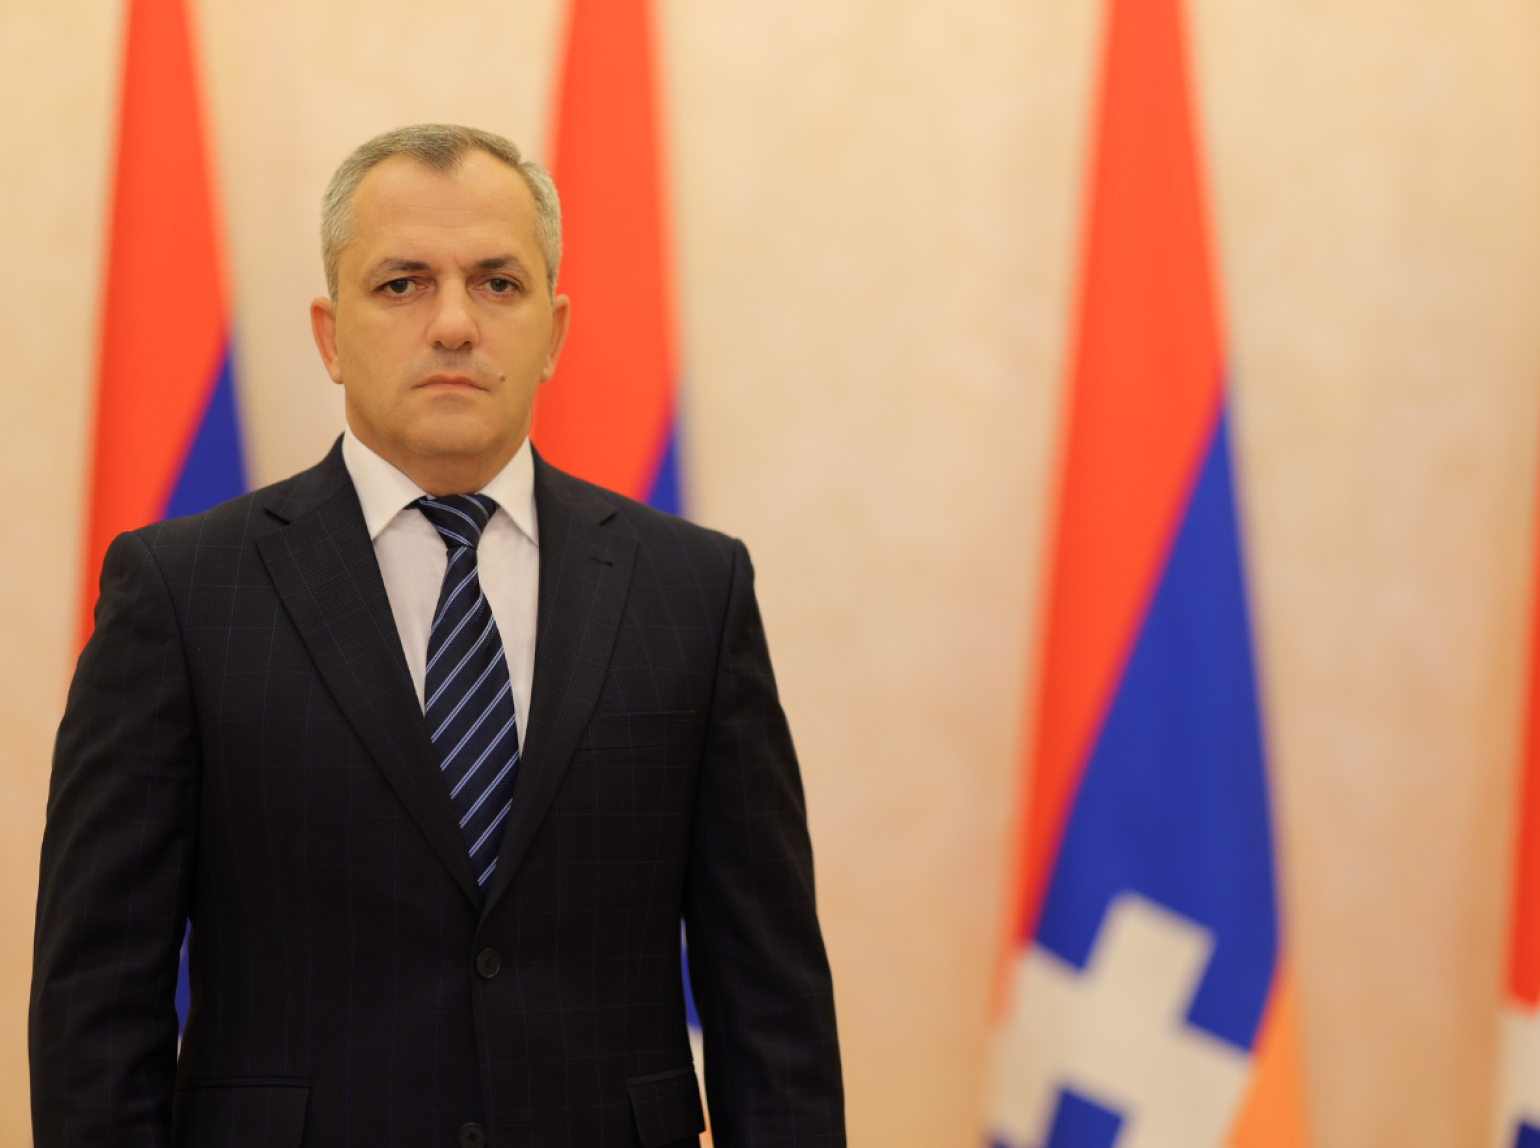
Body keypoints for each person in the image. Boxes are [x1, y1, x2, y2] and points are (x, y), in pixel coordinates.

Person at [30, 123, 844, 1148]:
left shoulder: (693, 588)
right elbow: (99, 995)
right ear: (331, 334)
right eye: (402, 283)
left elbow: (771, 1000)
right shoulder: (182, 592)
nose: (454, 324)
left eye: (498, 284)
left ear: (554, 331)